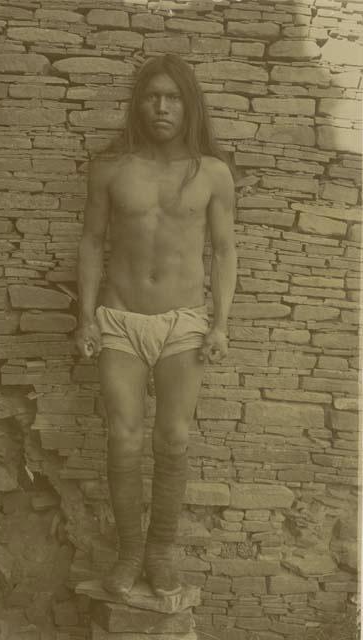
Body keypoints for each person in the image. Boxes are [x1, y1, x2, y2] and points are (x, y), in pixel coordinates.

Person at [76, 54, 237, 599]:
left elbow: (225, 251)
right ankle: (126, 555)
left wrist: (221, 324)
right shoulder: (111, 169)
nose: (162, 106)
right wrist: (85, 317)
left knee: (173, 438)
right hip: (119, 320)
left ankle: (160, 552)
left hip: (184, 323)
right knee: (122, 438)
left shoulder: (212, 173)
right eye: (153, 96)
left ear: (189, 104)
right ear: (138, 103)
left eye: (173, 97)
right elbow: (92, 242)